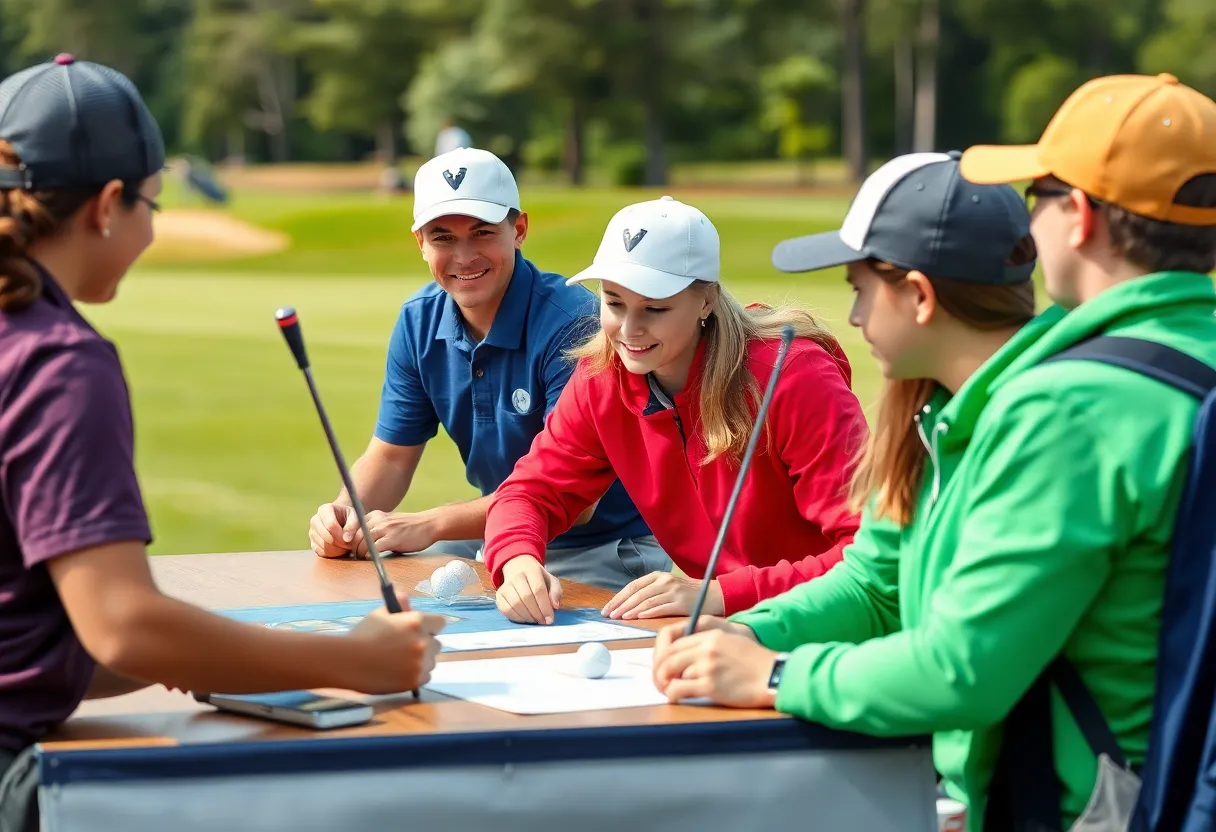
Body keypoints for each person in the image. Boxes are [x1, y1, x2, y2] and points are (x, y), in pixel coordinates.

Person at [653, 74, 1216, 831]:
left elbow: (965, 669)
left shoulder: (1069, 406)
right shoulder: (1156, 361)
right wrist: (756, 629)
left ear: (1077, 216)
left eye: (1040, 195)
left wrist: (777, 673)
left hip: (1101, 808)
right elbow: (880, 581)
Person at [0, 56, 445, 832]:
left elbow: (36, 639)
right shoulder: (57, 362)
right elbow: (123, 623)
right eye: (151, 203)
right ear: (109, 205)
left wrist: (208, 657)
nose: (151, 223)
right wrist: (353, 661)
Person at [482, 195, 868, 626]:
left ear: (707, 301)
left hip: (832, 622)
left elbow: (868, 556)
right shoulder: (601, 376)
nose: (629, 331)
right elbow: (529, 492)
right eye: (613, 303)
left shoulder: (794, 376)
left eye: (655, 308)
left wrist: (721, 594)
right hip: (729, 627)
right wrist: (517, 562)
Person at [307, 146, 668, 592]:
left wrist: (432, 523)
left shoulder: (576, 324)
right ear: (420, 243)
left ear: (518, 230)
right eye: (442, 238)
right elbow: (391, 457)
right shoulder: (419, 320)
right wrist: (345, 517)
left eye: (481, 233)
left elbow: (577, 499)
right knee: (388, 597)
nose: (464, 256)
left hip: (603, 547)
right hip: (499, 535)